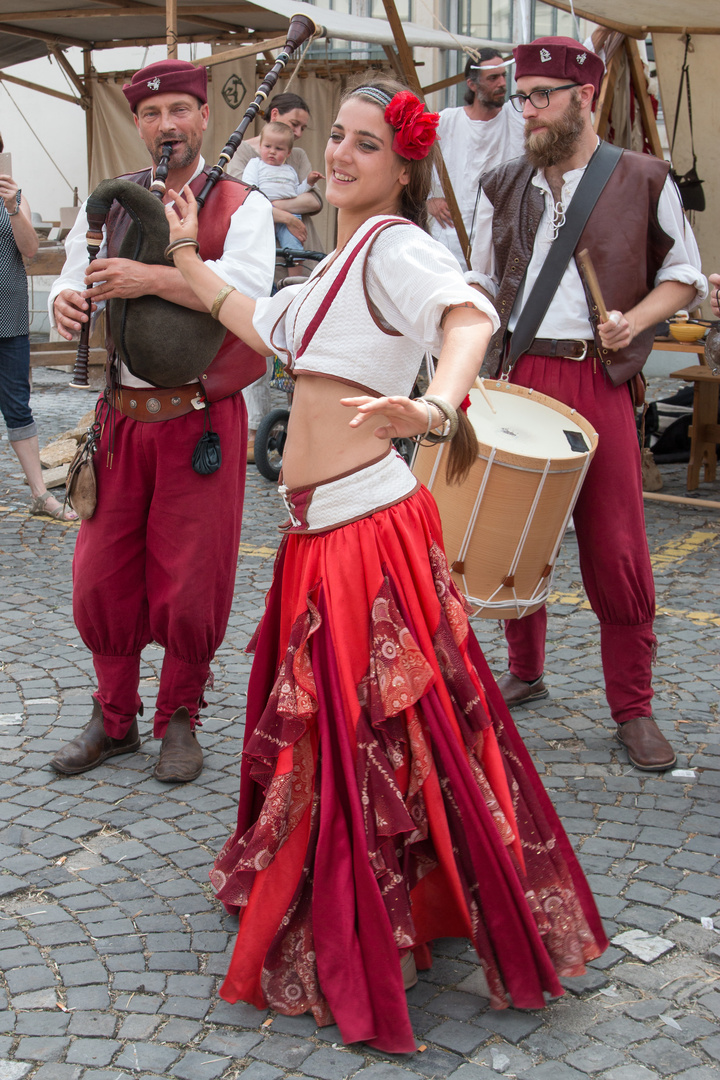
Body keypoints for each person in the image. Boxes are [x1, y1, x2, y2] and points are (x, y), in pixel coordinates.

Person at [163, 75, 607, 1053]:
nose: (340, 153)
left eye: (366, 143)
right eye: (339, 137)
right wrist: (188, 251)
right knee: (377, 728)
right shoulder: (335, 265)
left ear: (403, 166)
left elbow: (469, 321)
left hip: (368, 529)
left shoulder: (401, 247)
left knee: (375, 729)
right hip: (319, 532)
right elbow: (253, 320)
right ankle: (394, 885)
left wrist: (436, 409)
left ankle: (374, 910)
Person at [469, 37, 707, 771]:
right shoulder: (504, 180)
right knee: (513, 536)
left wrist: (634, 321)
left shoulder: (641, 177)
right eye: (521, 95)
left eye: (543, 95)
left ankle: (632, 707)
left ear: (587, 97)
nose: (529, 109)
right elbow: (477, 282)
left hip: (594, 381)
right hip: (515, 375)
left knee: (616, 547)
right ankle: (528, 672)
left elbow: (686, 275)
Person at [47, 58, 275, 783]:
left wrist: (148, 278)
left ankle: (178, 715)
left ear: (203, 116)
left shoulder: (242, 202)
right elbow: (70, 269)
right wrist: (65, 299)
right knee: (101, 574)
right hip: (119, 419)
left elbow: (247, 297)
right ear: (139, 124)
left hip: (199, 421)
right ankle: (114, 720)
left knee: (191, 577)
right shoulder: (116, 201)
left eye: (179, 110)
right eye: (152, 114)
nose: (166, 126)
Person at [228, 92, 324, 463]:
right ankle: (256, 427)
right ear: (275, 116)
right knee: (255, 338)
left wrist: (271, 208)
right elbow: (240, 201)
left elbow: (314, 200)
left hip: (292, 256)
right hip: (257, 258)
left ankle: (295, 422)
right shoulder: (245, 155)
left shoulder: (294, 155)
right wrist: (284, 214)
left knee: (294, 338)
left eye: (301, 128)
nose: (299, 133)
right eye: (295, 123)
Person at [0, 134, 77, 522]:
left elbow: (30, 249)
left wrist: (13, 207)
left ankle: (40, 494)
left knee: (18, 406)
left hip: (9, 319)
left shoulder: (14, 198)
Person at [428, 50, 524, 268]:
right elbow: (409, 161)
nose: (502, 83)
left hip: (497, 241)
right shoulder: (446, 121)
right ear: (472, 84)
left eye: (503, 75)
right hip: (449, 243)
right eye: (493, 78)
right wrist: (428, 199)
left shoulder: (516, 117)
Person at [242, 121, 323, 257]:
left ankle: (296, 275)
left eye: (279, 149)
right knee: (261, 246)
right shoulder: (256, 164)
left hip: (290, 212)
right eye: (268, 146)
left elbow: (295, 193)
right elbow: (248, 188)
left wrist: (308, 183)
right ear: (260, 146)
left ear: (288, 152)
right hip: (265, 211)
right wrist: (267, 206)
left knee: (295, 247)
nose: (272, 151)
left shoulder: (289, 170)